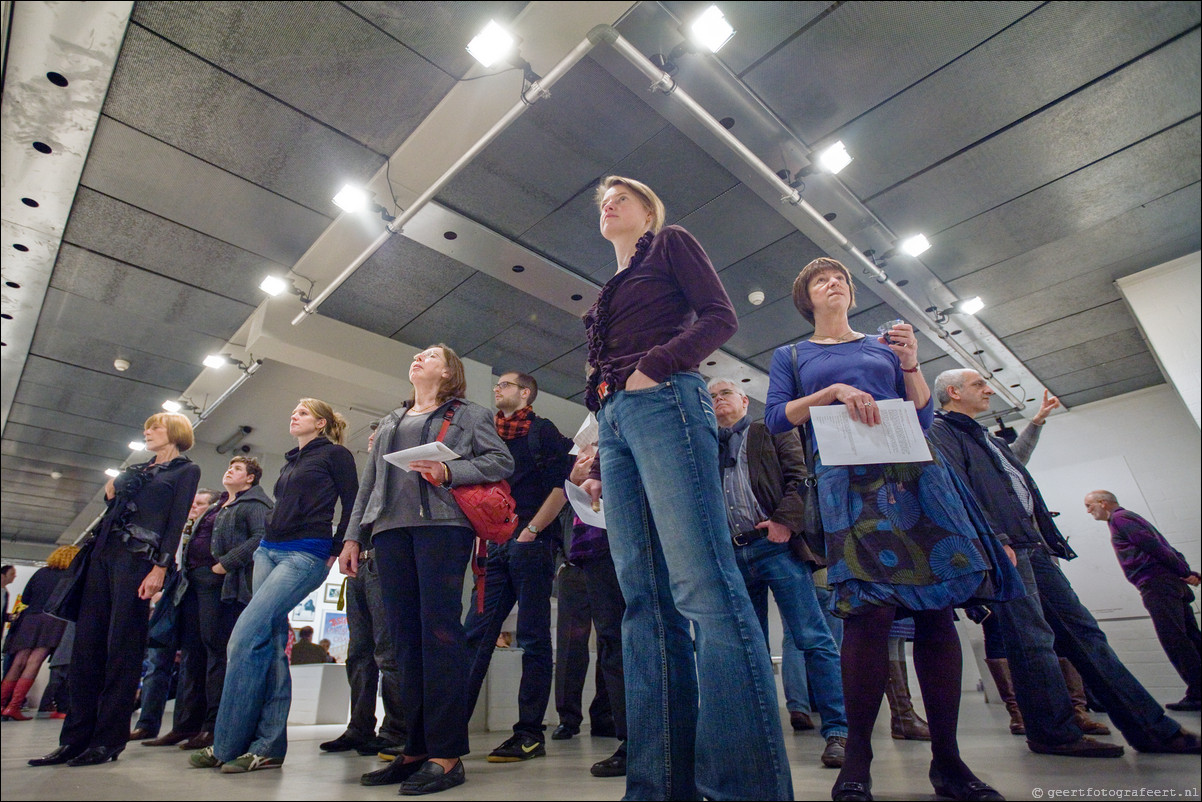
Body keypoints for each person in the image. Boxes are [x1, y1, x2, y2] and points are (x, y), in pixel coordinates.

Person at [764, 258, 1007, 802]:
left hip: (914, 475)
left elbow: (921, 417)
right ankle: (857, 761)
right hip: (847, 482)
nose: (836, 283)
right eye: (821, 280)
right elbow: (778, 418)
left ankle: (948, 761)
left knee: (936, 609)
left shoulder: (883, 346)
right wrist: (831, 393)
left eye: (843, 279)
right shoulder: (794, 355)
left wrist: (912, 363)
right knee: (867, 615)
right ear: (806, 298)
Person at [581, 176, 791, 801]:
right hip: (616, 421)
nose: (608, 206)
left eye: (620, 197)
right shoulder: (609, 287)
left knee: (704, 586)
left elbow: (720, 316)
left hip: (666, 401)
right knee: (643, 603)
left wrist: (658, 365)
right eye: (602, 203)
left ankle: (745, 789)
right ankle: (657, 786)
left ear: (649, 208)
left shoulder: (670, 243)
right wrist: (600, 430)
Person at [929, 368, 1200, 758]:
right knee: (1032, 641)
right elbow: (956, 490)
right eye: (978, 385)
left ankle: (1151, 729)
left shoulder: (982, 435)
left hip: (1033, 548)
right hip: (1008, 550)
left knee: (1085, 634)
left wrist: (1037, 422)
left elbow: (1014, 468)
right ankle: (1052, 733)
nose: (988, 389)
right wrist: (997, 540)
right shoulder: (943, 432)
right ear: (953, 392)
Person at [341, 344, 513, 794]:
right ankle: (414, 749)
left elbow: (500, 461)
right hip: (389, 533)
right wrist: (354, 535)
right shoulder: (390, 421)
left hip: (442, 528)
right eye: (418, 354)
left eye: (431, 355)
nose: (419, 357)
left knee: (439, 636)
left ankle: (446, 754)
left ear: (449, 371)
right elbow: (369, 483)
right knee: (402, 642)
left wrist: (449, 470)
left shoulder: (469, 414)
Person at [190, 398, 358, 774]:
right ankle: (268, 747)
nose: (293, 415)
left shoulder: (336, 455)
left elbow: (352, 503)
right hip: (268, 552)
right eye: (292, 409)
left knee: (242, 638)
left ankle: (226, 744)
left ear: (320, 423)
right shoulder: (291, 460)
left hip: (306, 554)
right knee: (267, 647)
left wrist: (337, 548)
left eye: (301, 412)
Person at [31, 412, 200, 767]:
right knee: (86, 649)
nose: (148, 431)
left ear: (174, 432)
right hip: (101, 555)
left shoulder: (186, 471)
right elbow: (110, 505)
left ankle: (108, 740)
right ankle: (75, 740)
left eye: (155, 427)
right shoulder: (138, 469)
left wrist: (160, 567)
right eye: (147, 427)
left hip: (138, 561)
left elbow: (175, 521)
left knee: (122, 649)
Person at [708, 377, 849, 768]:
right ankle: (758, 734)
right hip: (732, 554)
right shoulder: (706, 445)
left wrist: (784, 523)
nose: (718, 399)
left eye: (725, 393)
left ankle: (838, 731)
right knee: (747, 649)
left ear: (742, 399)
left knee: (812, 637)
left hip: (775, 547)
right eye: (712, 396)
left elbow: (800, 477)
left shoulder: (771, 428)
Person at [463, 371, 574, 764]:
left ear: (525, 393)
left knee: (533, 637)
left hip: (531, 544)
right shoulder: (488, 437)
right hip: (494, 548)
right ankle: (448, 730)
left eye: (505, 385)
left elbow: (564, 486)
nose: (497, 388)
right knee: (473, 636)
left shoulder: (543, 433)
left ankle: (529, 735)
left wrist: (530, 530)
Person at [155, 458, 271, 750]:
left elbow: (261, 536)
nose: (229, 471)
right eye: (229, 467)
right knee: (192, 654)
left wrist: (225, 564)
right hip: (193, 584)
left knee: (215, 653)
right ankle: (185, 725)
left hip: (222, 586)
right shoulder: (219, 506)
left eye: (238, 469)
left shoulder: (254, 505)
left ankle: (212, 726)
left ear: (250, 479)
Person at [320, 420, 408, 759]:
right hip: (360, 565)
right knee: (358, 651)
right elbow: (354, 515)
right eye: (371, 434)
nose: (372, 439)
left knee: (387, 650)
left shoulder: (399, 476)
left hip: (385, 563)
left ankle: (395, 729)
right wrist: (347, 545)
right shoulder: (368, 479)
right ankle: (359, 727)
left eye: (378, 434)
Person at [1085, 490, 1201, 712]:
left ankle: (1197, 692)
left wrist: (1184, 571)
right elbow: (1165, 548)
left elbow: (1154, 547)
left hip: (1157, 584)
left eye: (1090, 505)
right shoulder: (1129, 518)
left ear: (1103, 503)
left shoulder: (1120, 518)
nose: (1088, 511)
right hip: (1168, 582)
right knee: (1190, 636)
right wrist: (1185, 571)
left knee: (1174, 638)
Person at [131, 490, 216, 742]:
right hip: (170, 598)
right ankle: (147, 723)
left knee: (192, 662)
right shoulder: (177, 532)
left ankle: (185, 725)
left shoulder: (209, 532)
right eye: (192, 504)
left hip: (191, 595)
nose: (193, 509)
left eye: (199, 504)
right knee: (158, 661)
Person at [565, 441, 629, 778]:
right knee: (611, 639)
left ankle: (660, 735)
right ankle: (631, 739)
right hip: (596, 539)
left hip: (639, 531)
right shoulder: (601, 425)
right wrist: (584, 475)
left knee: (650, 635)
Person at [1, 545, 79, 720]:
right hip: (52, 621)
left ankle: (2, 704)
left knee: (18, 662)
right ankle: (14, 707)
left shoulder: (41, 573)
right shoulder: (70, 576)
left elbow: (26, 597)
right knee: (34, 662)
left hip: (29, 619)